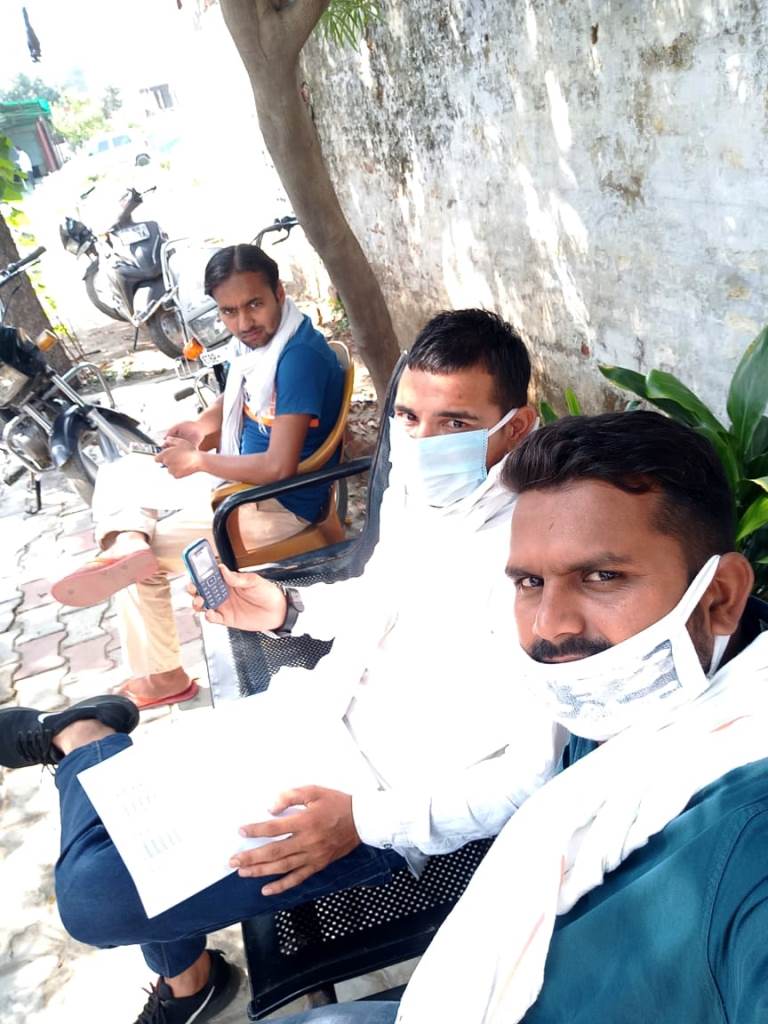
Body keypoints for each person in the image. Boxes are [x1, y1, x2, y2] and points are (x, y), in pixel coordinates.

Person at [0, 309, 563, 1024]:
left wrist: (364, 821)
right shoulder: (425, 491)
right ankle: (190, 982)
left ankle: (84, 737)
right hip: (308, 715)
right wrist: (287, 609)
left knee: (91, 900)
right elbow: (383, 599)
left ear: (514, 427)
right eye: (409, 417)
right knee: (122, 816)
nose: (421, 442)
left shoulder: (544, 559)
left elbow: (533, 773)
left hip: (366, 801)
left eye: (455, 423)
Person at [273, 410, 768, 1024]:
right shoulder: (630, 701)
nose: (548, 626)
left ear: (720, 598)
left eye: (602, 576)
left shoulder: (748, 839)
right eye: (530, 582)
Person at [51, 244, 345, 709]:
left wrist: (200, 461)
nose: (243, 321)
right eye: (229, 311)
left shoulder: (297, 358)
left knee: (142, 569)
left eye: (254, 304)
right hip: (245, 489)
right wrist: (201, 427)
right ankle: (129, 541)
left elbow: (278, 467)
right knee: (120, 473)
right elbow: (239, 396)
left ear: (279, 293)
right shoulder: (265, 343)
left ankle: (162, 673)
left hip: (276, 506)